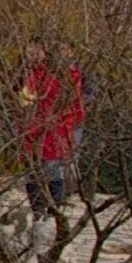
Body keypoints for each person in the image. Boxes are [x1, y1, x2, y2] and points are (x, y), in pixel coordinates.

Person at [19, 39, 88, 212]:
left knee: (52, 166)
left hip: (55, 125)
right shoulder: (31, 74)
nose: (32, 55)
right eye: (29, 51)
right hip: (35, 126)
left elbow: (71, 100)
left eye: (36, 51)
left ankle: (55, 208)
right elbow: (25, 100)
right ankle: (39, 209)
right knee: (33, 168)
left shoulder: (63, 74)